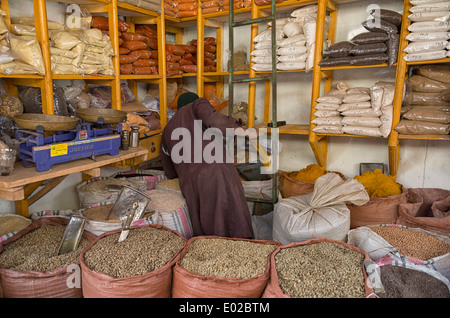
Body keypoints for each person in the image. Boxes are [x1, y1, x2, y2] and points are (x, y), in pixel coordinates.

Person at [159, 92, 254, 238]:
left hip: (190, 183)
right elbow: (215, 120)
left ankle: (211, 254)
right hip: (216, 171)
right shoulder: (197, 105)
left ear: (178, 108)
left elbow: (169, 170)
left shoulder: (167, 129)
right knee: (232, 216)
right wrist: (240, 130)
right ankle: (237, 252)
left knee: (204, 221)